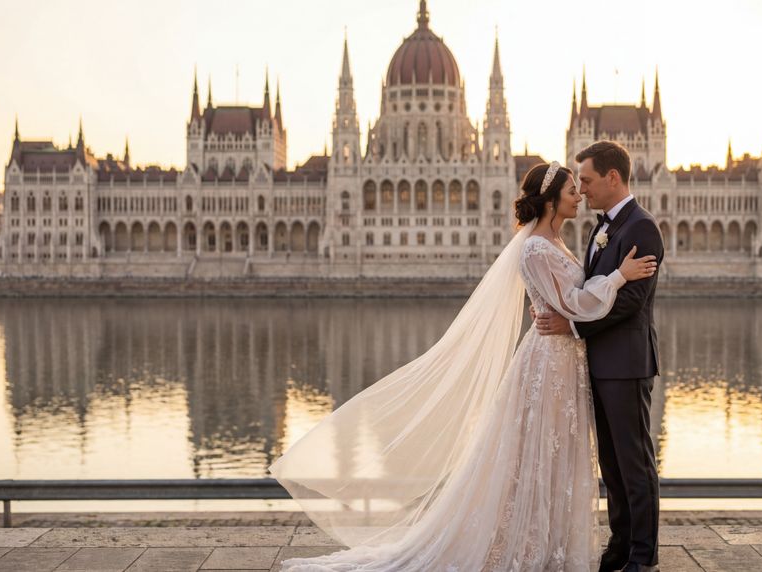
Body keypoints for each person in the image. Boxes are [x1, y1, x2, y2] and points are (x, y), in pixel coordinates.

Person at [268, 161, 656, 571]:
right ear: (550, 199)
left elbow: (568, 302)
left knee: (556, 457)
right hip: (550, 362)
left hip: (565, 360)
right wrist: (616, 277)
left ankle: (553, 542)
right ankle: (535, 547)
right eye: (573, 189)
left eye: (584, 186)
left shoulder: (560, 240)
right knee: (539, 456)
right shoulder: (537, 247)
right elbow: (575, 303)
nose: (580, 194)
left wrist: (577, 302)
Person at [536, 141, 664, 572]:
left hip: (626, 366)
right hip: (597, 364)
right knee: (611, 464)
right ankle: (621, 545)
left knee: (635, 463)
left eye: (587, 181)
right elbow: (590, 289)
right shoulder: (602, 227)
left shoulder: (642, 228)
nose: (583, 190)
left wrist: (571, 326)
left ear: (613, 178)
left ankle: (643, 558)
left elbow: (629, 302)